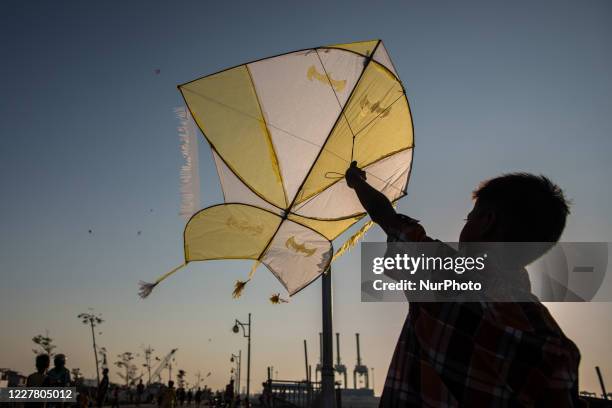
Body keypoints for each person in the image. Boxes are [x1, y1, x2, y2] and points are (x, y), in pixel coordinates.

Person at [345, 163, 582, 407]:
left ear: (487, 222)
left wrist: (357, 183)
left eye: (469, 217)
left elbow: (387, 217)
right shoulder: (557, 347)